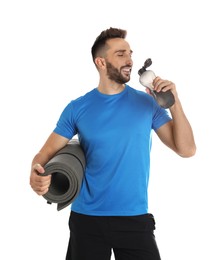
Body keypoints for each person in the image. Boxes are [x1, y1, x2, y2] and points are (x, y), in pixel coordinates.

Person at [30, 27, 196, 260]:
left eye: (130, 53)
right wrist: (35, 173)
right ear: (101, 62)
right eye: (120, 54)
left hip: (134, 218)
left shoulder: (147, 104)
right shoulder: (78, 108)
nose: (129, 60)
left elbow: (187, 149)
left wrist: (174, 102)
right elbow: (45, 153)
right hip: (87, 219)